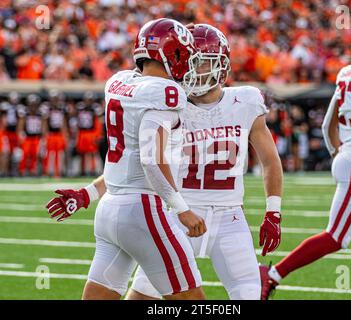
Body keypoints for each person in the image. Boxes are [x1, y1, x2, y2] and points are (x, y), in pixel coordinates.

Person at [46, 23, 283, 300]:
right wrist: (90, 192)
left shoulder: (244, 100)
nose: (195, 70)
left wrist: (273, 211)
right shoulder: (169, 99)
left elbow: (270, 161)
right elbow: (145, 160)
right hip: (176, 213)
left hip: (228, 216)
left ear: (221, 65)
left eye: (202, 62)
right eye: (191, 60)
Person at [46, 18, 207, 300]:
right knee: (190, 300)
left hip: (109, 210)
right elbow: (149, 159)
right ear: (174, 55)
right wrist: (182, 208)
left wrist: (87, 194)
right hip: (143, 209)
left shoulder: (120, 83)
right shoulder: (164, 93)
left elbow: (125, 161)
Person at [260, 22, 351, 300]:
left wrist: (335, 152)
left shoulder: (347, 73)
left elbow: (330, 119)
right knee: (337, 237)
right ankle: (271, 275)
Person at [42, 90, 69, 177]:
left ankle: (58, 172)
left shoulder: (62, 108)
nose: (55, 101)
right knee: (49, 153)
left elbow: (64, 123)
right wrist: (44, 135)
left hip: (59, 134)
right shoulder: (47, 108)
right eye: (53, 99)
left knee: (60, 153)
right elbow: (44, 122)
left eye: (56, 99)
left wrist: (65, 135)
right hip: (50, 134)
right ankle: (48, 172)